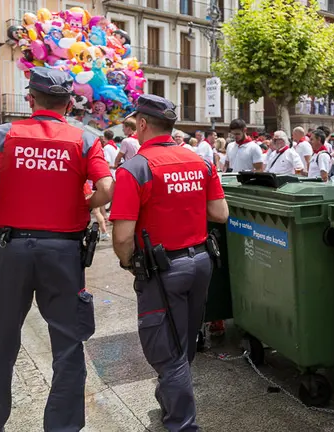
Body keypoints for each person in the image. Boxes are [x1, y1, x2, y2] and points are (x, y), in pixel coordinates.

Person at [0, 67, 114, 432]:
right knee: (68, 347)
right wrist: (84, 205)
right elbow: (107, 186)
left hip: (12, 247)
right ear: (69, 104)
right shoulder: (84, 140)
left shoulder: (3, 135)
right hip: (64, 253)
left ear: (30, 99)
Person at [110, 95, 228, 432]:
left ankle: (182, 424)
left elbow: (121, 237)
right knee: (184, 343)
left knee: (166, 351)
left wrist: (130, 263)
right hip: (201, 261)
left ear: (143, 125)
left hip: (162, 270)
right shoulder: (200, 162)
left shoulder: (135, 168)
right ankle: (170, 402)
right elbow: (220, 213)